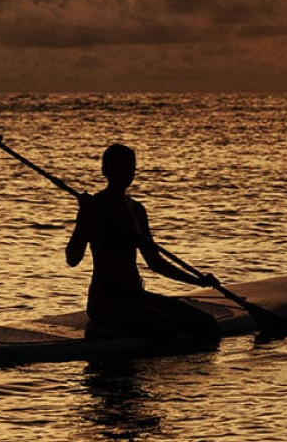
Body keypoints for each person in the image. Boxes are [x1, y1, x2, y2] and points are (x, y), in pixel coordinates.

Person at [66, 143, 221, 350]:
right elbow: (72, 259)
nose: (126, 174)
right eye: (119, 167)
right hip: (105, 301)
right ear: (106, 171)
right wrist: (84, 218)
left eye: (130, 168)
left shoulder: (136, 210)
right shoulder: (94, 208)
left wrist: (197, 281)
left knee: (206, 323)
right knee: (166, 328)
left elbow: (156, 263)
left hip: (135, 294)